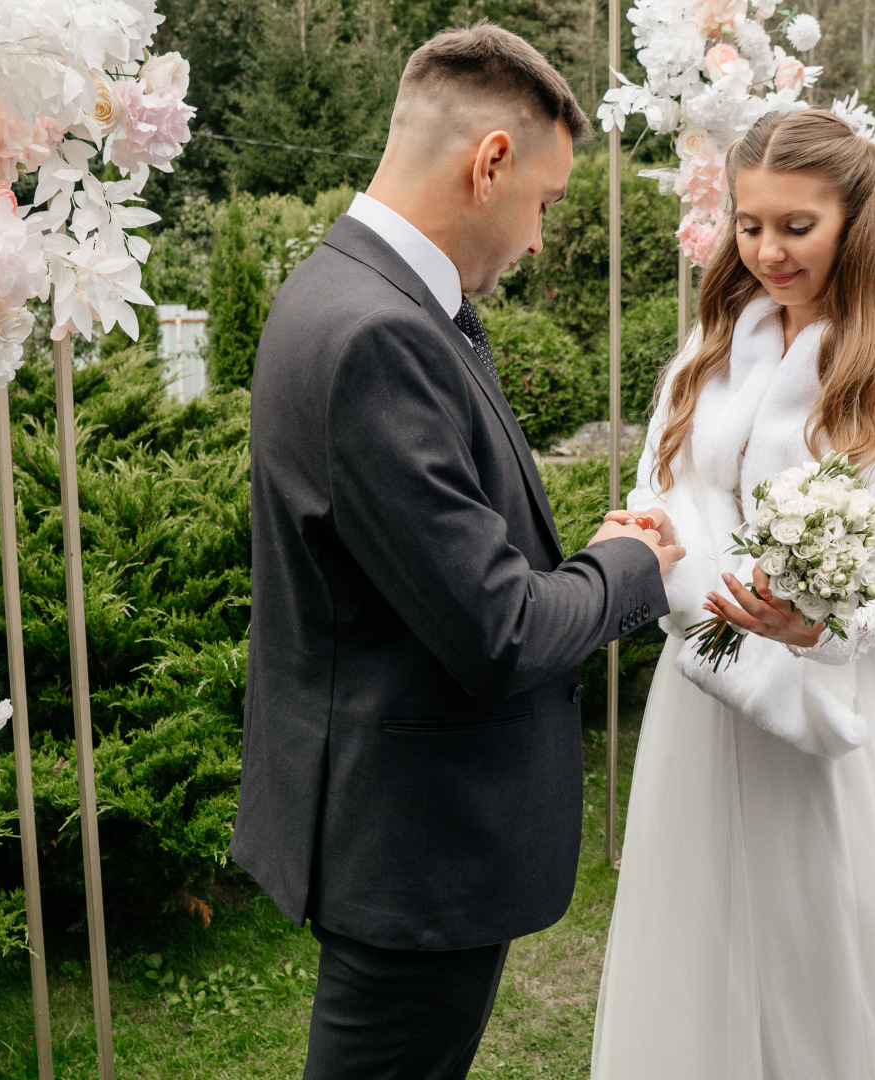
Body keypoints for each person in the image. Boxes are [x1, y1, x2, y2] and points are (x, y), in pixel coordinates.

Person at [230, 23, 682, 1080]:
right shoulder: (380, 333)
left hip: (395, 826)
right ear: (490, 162)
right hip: (412, 846)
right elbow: (499, 630)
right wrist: (629, 565)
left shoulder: (358, 292)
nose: (536, 242)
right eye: (546, 204)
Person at [590, 109, 875, 1080]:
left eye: (795, 226)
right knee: (704, 920)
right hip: (708, 683)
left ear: (855, 219)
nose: (766, 250)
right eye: (749, 223)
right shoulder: (713, 347)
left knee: (826, 929)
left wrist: (828, 619)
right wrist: (668, 556)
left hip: (837, 697)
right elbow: (661, 482)